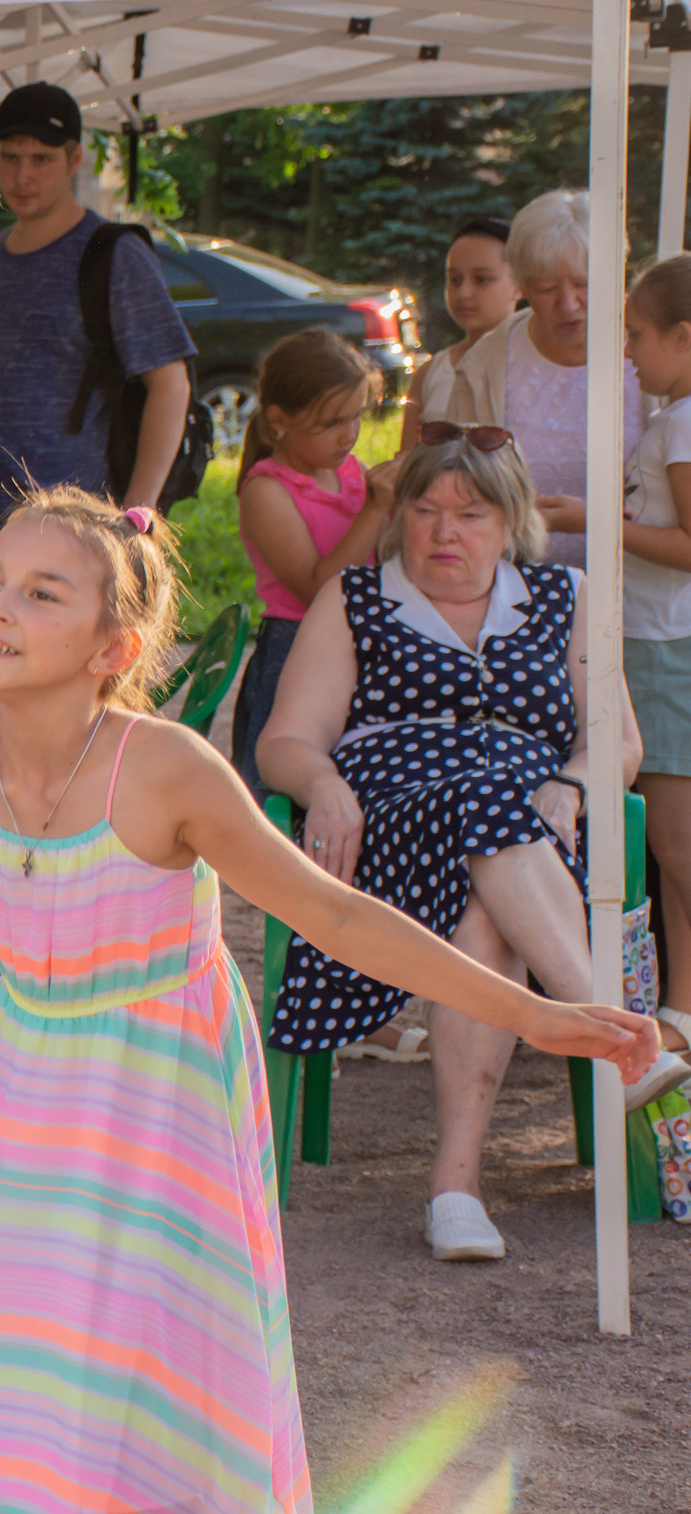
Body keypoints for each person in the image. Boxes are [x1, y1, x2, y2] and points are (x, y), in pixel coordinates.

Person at [0, 484, 656, 1514]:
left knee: (153, 1357)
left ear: (112, 648)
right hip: (34, 1087)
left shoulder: (167, 769)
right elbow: (7, 858)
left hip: (162, 1088)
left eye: (41, 591)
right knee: (43, 1356)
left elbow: (335, 913)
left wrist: (535, 1012)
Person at [258, 435, 691, 1262]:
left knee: (487, 900)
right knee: (487, 805)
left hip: (536, 840)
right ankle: (609, 1031)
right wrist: (323, 784)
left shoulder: (565, 594)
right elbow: (285, 740)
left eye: (470, 514)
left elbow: (618, 742)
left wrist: (573, 784)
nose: (442, 531)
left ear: (511, 521)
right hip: (391, 837)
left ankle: (456, 1191)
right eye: (424, 510)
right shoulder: (356, 597)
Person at [0, 84, 196, 571]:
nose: (22, 176)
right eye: (9, 157)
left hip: (74, 536)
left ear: (74, 159)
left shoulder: (113, 254)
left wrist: (136, 518)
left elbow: (171, 384)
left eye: (41, 159)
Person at [230, 329, 397, 799]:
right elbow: (318, 588)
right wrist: (374, 509)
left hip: (359, 638)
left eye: (357, 416)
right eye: (331, 423)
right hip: (296, 645)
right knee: (279, 785)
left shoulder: (349, 472)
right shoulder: (267, 492)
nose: (349, 433)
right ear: (279, 420)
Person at [441, 188, 643, 573]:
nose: (567, 304)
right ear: (521, 286)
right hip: (512, 582)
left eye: (583, 283)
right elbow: (450, 479)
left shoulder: (657, 348)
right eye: (547, 288)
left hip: (637, 589)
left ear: (615, 273)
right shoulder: (485, 364)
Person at [610, 257, 691, 1049]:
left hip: (667, 647)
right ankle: (680, 1012)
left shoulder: (681, 424)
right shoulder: (674, 418)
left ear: (684, 337)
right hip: (659, 640)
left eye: (636, 334)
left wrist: (599, 519)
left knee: (674, 844)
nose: (627, 351)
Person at [399, 215, 517, 449]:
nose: (464, 293)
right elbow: (408, 462)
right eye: (454, 279)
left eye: (482, 279)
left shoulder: (531, 366)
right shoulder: (430, 374)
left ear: (520, 284)